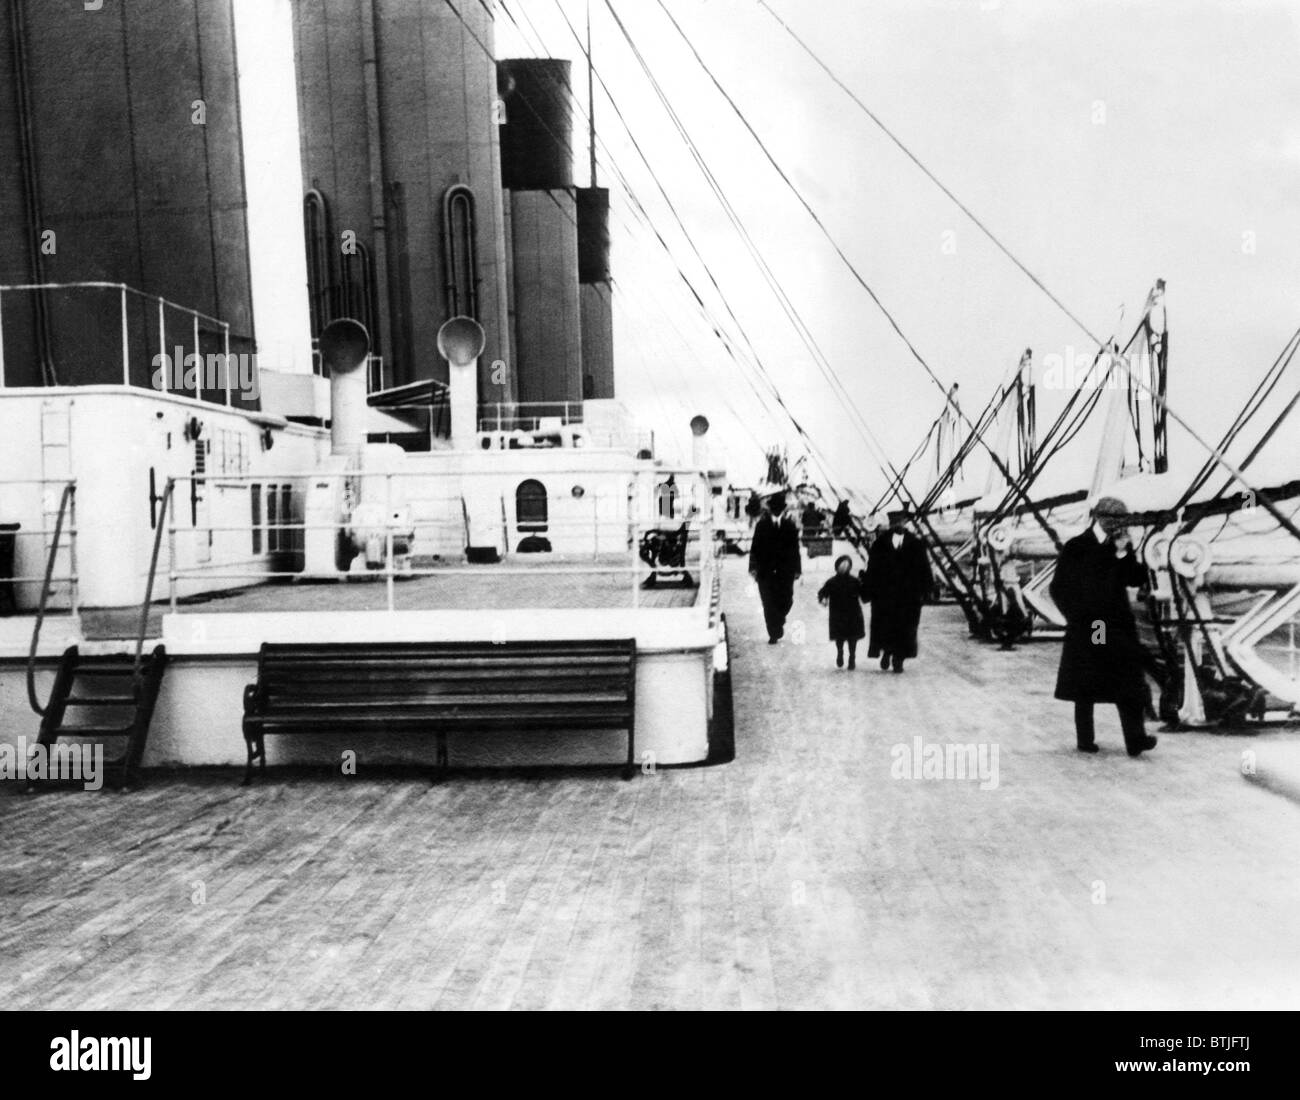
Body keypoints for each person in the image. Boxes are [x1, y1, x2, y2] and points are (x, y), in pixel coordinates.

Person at [1049, 496, 1158, 757]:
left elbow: (1134, 578)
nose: (1120, 526)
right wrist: (1077, 619)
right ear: (1102, 518)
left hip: (1118, 622)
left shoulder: (1117, 546)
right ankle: (1085, 739)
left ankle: (1136, 739)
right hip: (1093, 624)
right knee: (1088, 680)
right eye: (1117, 520)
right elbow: (1058, 588)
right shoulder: (1077, 546)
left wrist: (1124, 552)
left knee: (1128, 677)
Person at [863, 510, 933, 672]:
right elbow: (872, 569)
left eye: (901, 522)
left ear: (905, 523)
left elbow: (924, 568)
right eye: (895, 522)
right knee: (886, 626)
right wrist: (868, 590)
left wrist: (927, 589)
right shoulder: (880, 544)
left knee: (905, 627)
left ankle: (899, 658)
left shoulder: (916, 544)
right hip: (885, 595)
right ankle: (887, 653)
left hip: (908, 596)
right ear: (891, 523)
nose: (899, 525)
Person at [749, 492, 802, 644]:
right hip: (765, 572)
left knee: (786, 600)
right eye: (775, 508)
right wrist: (753, 568)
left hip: (785, 572)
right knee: (768, 603)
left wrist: (797, 569)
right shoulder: (761, 526)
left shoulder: (789, 526)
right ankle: (774, 632)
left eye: (780, 508)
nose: (777, 510)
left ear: (783, 509)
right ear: (771, 509)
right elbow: (754, 548)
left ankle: (778, 619)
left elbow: (795, 549)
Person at [818, 554, 866, 668]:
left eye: (846, 566)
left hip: (848, 614)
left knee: (850, 638)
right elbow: (823, 592)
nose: (843, 569)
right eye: (841, 566)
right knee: (844, 638)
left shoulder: (853, 581)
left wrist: (864, 581)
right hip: (842, 614)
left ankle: (851, 657)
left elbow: (864, 595)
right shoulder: (833, 582)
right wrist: (823, 599)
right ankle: (841, 653)